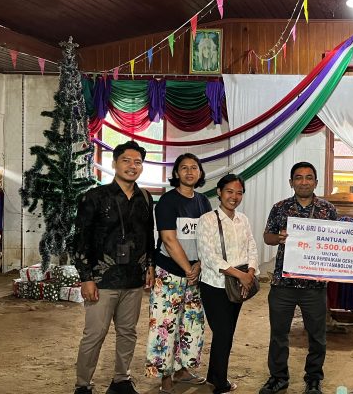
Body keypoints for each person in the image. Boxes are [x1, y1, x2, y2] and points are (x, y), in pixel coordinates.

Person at [72, 141, 155, 394]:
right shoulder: (94, 197)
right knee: (95, 334)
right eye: (126, 161)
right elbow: (80, 239)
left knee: (128, 332)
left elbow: (148, 236)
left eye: (137, 162)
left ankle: (121, 380)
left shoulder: (145, 198)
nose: (132, 166)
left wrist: (150, 265)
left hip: (133, 279)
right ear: (114, 163)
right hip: (102, 280)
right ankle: (83, 386)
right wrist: (86, 277)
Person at [260, 162, 338, 394]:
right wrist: (279, 237)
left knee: (317, 336)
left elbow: (338, 240)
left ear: (316, 181)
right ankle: (278, 377)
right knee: (278, 334)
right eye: (298, 177)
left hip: (314, 285)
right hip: (283, 283)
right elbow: (267, 237)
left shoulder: (328, 210)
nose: (304, 182)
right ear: (291, 182)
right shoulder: (280, 208)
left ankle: (313, 379)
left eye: (308, 177)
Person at [144, 154, 211, 393]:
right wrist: (187, 268)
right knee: (165, 324)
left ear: (200, 173)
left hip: (195, 274)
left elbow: (208, 238)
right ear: (176, 173)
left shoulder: (203, 201)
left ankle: (183, 369)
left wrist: (199, 265)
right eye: (184, 168)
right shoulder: (167, 201)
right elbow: (169, 239)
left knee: (192, 323)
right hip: (169, 273)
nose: (189, 172)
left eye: (194, 167)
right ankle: (165, 376)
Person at [197, 174, 259, 394]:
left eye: (239, 192)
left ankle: (214, 375)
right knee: (223, 332)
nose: (234, 197)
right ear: (219, 192)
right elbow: (208, 256)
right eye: (229, 191)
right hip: (214, 285)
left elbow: (252, 246)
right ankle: (220, 383)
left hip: (239, 284)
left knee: (227, 332)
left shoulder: (243, 219)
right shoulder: (207, 220)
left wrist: (250, 272)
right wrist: (240, 275)